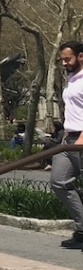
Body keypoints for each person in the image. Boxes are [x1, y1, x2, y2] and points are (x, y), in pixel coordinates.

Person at [52, 41, 83, 249]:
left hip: (81, 139)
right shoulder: (71, 79)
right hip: (68, 139)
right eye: (62, 59)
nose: (64, 63)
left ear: (81, 56)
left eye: (67, 59)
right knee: (58, 181)